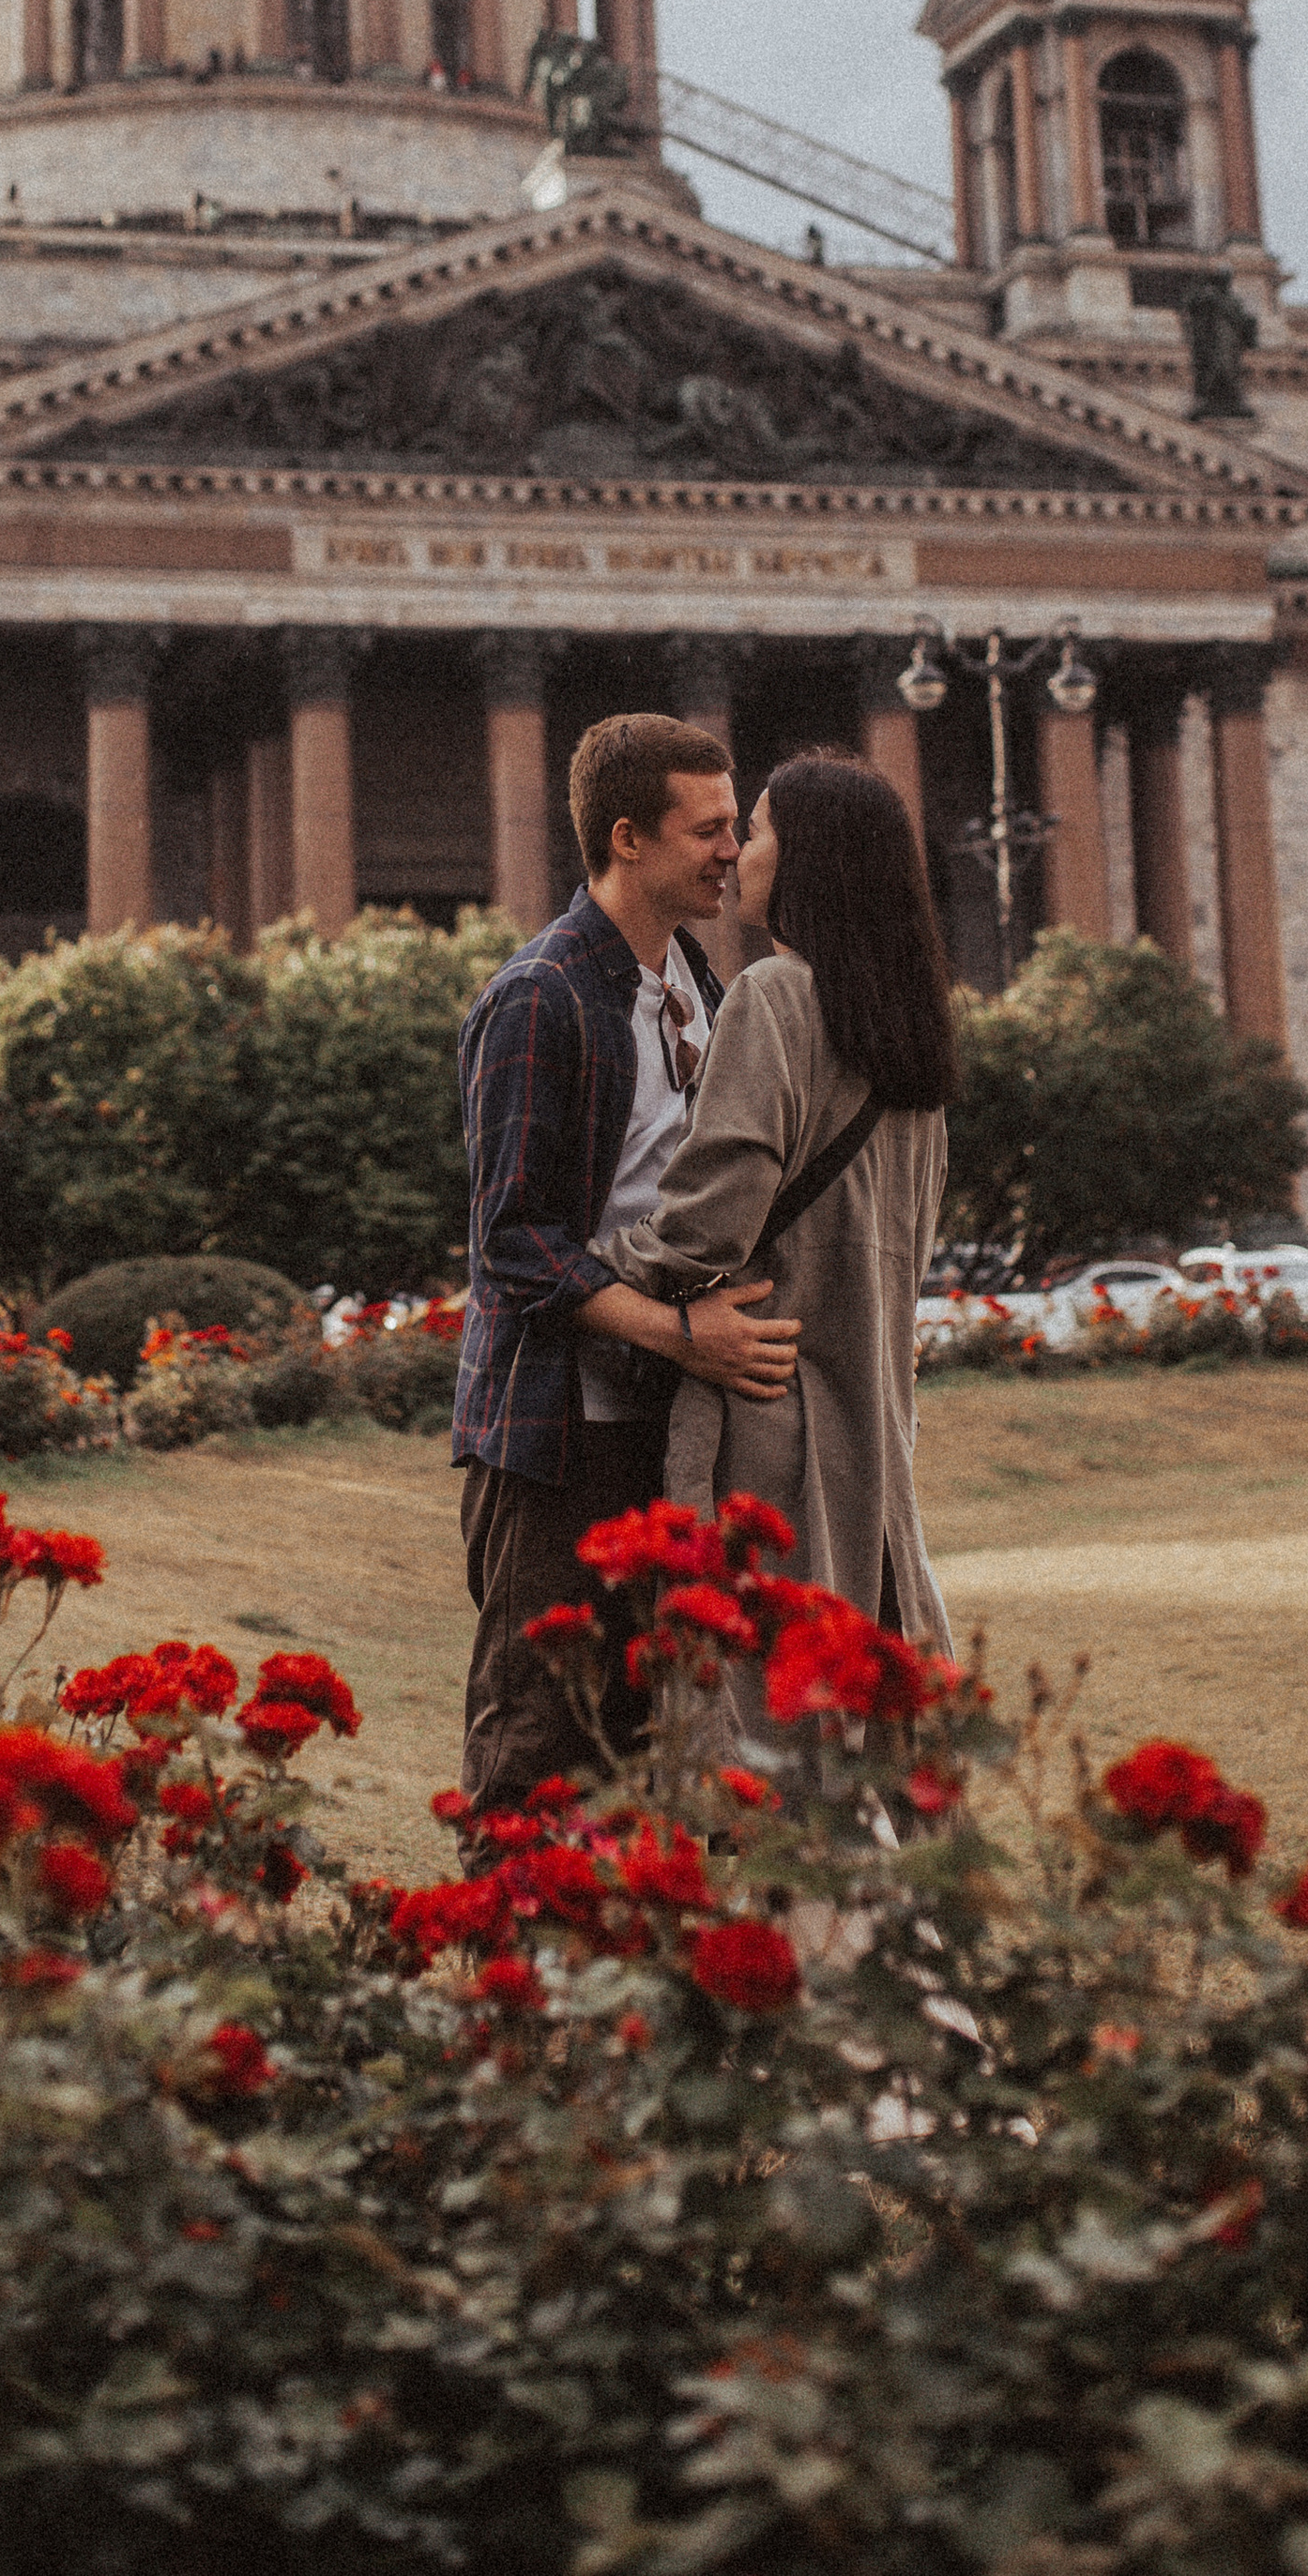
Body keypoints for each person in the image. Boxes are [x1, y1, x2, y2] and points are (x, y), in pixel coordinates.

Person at [453, 713, 802, 1806]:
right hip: (559, 1443)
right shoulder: (539, 993)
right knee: (537, 1750)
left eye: (734, 827)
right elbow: (513, 1244)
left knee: (649, 1749)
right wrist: (679, 1334)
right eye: (704, 831)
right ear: (625, 839)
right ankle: (500, 1967)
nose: (730, 853)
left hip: (660, 1436)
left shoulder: (693, 975)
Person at [601, 748, 960, 1749]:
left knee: (771, 1752)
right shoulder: (909, 1031)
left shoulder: (772, 995)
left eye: (753, 829)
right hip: (877, 1435)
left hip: (775, 1425)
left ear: (807, 862)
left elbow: (708, 1219)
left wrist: (602, 1265)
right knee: (870, 1746)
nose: (735, 853)